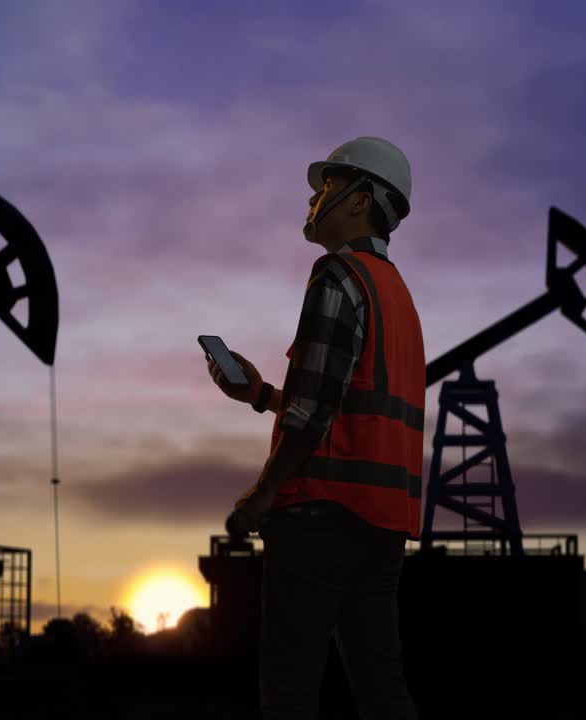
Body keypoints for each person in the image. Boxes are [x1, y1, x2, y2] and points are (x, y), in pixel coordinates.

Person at [206, 136, 424, 720]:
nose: (313, 197)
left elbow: (311, 416)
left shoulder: (337, 276)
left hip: (319, 520)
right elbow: (345, 403)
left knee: (289, 695)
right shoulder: (397, 296)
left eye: (327, 185)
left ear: (360, 199)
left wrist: (265, 493)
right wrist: (260, 395)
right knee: (383, 690)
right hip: (380, 527)